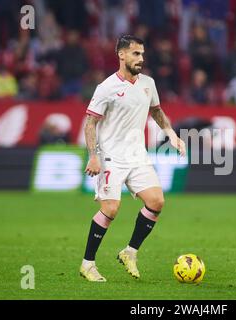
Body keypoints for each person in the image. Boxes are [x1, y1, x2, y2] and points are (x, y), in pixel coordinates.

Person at [80, 35, 186, 282]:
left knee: (157, 201)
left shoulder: (148, 83)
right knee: (111, 208)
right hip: (111, 158)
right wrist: (93, 157)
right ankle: (88, 264)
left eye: (142, 54)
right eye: (136, 54)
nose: (141, 58)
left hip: (138, 155)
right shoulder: (106, 88)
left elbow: (157, 111)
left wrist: (171, 134)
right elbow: (90, 124)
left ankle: (130, 251)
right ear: (122, 55)